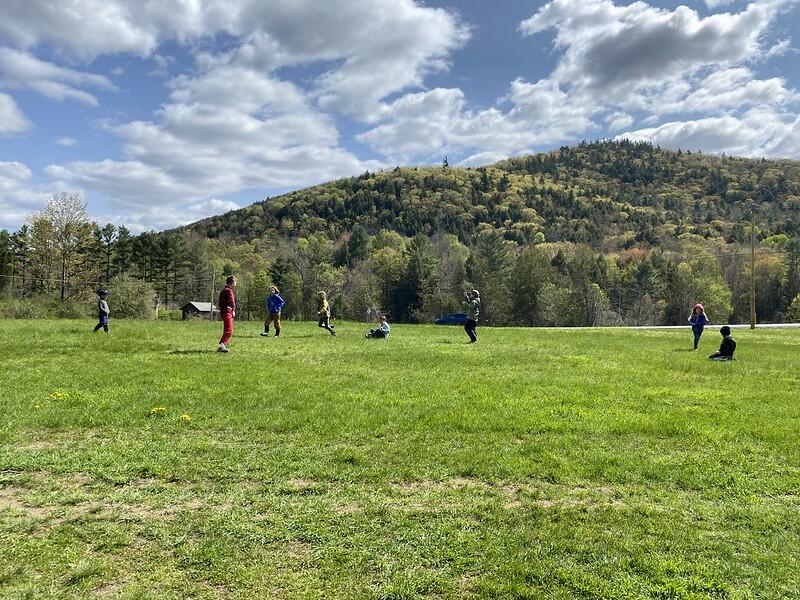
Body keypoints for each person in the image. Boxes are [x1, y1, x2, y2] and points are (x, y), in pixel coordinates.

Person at [217, 275, 237, 352]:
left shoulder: (223, 290)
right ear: (232, 282)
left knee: (226, 329)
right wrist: (233, 310)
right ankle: (222, 345)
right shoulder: (229, 290)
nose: (236, 283)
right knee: (229, 330)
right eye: (235, 281)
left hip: (223, 311)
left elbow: (220, 302)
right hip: (227, 311)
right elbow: (232, 302)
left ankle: (221, 345)